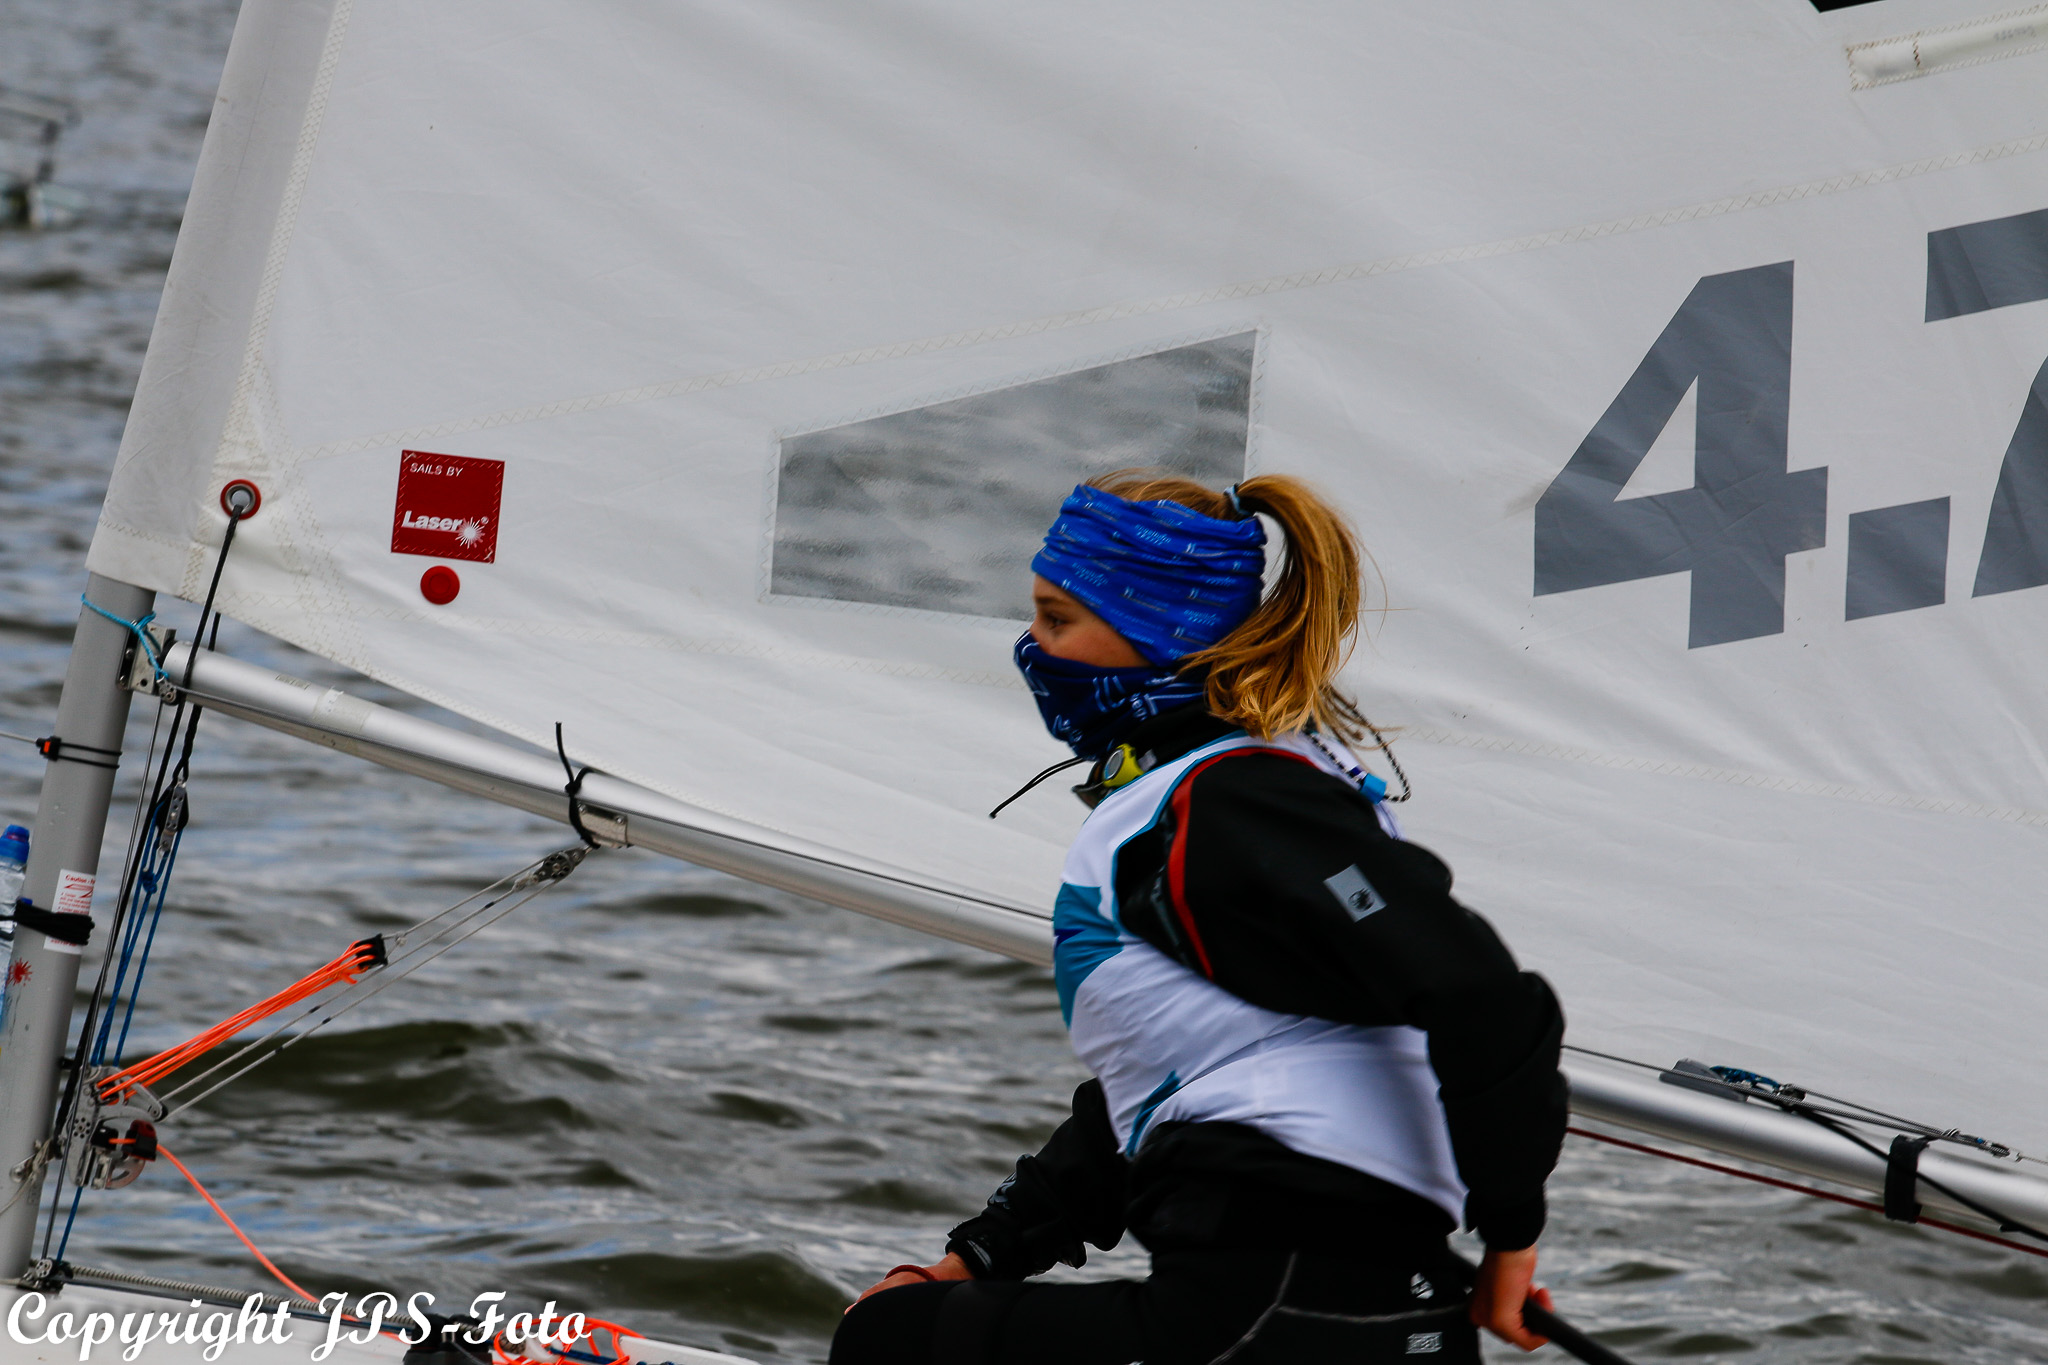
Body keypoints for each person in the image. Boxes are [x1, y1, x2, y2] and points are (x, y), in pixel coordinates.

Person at [831, 472, 1567, 1364]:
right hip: (1376, 1305)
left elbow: (1481, 996)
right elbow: (1160, 1082)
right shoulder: (1254, 788)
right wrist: (981, 1255)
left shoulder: (1227, 802)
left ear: (1157, 630)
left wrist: (1512, 1239)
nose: (1031, 645)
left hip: (1273, 1300)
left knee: (889, 1342)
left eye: (1057, 618)